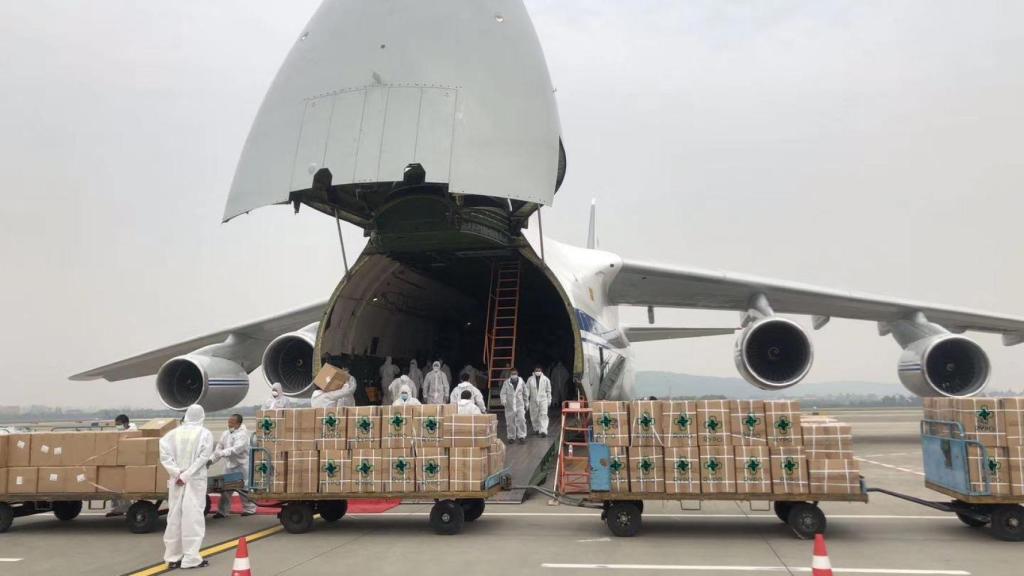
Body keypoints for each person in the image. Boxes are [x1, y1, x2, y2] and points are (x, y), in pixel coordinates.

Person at [160, 405, 214, 570]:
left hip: (176, 481)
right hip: (194, 480)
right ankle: (191, 558)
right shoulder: (205, 434)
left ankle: (172, 557)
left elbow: (165, 456)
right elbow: (203, 457)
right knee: (193, 518)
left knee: (174, 517)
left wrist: (177, 473)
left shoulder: (171, 434)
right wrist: (187, 474)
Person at [210, 414, 256, 518]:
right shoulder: (225, 434)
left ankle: (250, 509)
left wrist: (222, 453)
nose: (229, 424)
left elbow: (236, 449)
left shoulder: (243, 435)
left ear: (238, 423)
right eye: (228, 422)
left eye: (232, 422)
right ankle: (223, 512)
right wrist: (211, 460)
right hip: (230, 466)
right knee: (226, 489)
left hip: (242, 465)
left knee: (244, 487)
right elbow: (219, 448)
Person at [500, 369, 529, 444]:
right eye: (512, 373)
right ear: (510, 374)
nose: (514, 374)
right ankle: (511, 437)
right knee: (510, 422)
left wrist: (526, 402)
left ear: (517, 373)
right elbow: (503, 393)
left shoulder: (521, 382)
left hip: (519, 405)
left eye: (515, 373)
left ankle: (522, 436)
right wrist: (503, 401)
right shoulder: (506, 383)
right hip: (509, 405)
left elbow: (525, 392)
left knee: (522, 420)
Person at [527, 366, 552, 437]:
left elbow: (548, 390)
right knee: (534, 415)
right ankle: (536, 429)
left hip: (543, 400)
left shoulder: (546, 379)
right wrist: (526, 400)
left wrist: (549, 399)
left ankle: (543, 430)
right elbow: (527, 390)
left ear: (541, 371)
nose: (538, 372)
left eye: (539, 370)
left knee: (543, 415)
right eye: (536, 370)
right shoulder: (530, 380)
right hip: (533, 400)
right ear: (534, 372)